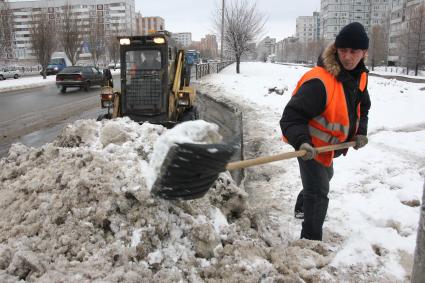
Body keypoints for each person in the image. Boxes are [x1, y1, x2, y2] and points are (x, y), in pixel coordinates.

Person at [280, 22, 371, 241]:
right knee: (318, 192)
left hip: (329, 148)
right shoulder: (320, 81)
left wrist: (360, 131)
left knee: (325, 176)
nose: (347, 57)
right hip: (309, 146)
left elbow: (363, 107)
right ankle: (310, 241)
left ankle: (301, 208)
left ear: (364, 53)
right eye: (342, 50)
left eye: (353, 51)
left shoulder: (359, 78)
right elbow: (291, 117)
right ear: (336, 49)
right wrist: (302, 142)